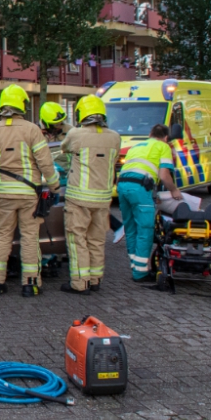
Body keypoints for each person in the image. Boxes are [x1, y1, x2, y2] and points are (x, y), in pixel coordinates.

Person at [0, 84, 60, 297]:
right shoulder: (32, 129)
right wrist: (54, 186)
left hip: (4, 194)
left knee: (2, 236)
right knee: (30, 238)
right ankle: (30, 284)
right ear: (22, 105)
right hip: (29, 194)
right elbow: (45, 163)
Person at [58, 95, 121, 295]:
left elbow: (63, 149)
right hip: (103, 199)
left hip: (79, 199)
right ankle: (95, 280)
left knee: (78, 240)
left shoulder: (76, 134)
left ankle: (80, 283)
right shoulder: (114, 137)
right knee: (97, 239)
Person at [116, 123, 182, 282]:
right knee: (145, 230)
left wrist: (153, 194)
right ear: (166, 138)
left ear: (150, 134)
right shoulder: (163, 146)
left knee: (130, 228)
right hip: (139, 189)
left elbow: (140, 170)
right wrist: (174, 190)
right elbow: (164, 175)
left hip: (122, 186)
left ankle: (135, 265)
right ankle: (140, 273)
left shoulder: (136, 146)